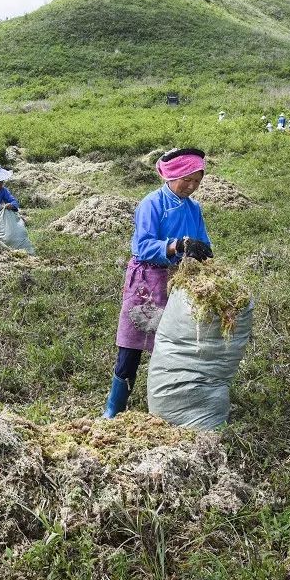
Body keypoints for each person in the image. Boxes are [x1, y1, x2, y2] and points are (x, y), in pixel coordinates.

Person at [102, 148, 214, 418]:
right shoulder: (151, 204)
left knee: (174, 343)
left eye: (197, 182)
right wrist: (175, 246)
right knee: (133, 343)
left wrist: (204, 252)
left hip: (179, 281)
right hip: (147, 281)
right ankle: (113, 409)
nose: (191, 187)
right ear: (173, 175)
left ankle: (170, 404)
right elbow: (143, 246)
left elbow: (203, 241)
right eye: (187, 180)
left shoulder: (193, 208)